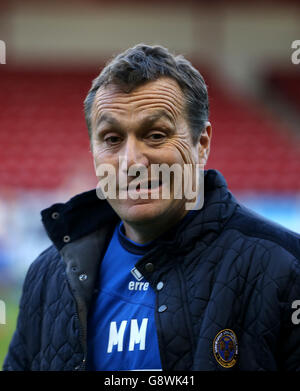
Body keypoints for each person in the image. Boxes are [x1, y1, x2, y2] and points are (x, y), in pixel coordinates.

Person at [3, 44, 300, 371]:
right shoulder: (49, 276)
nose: (131, 162)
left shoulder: (285, 267)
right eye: (112, 139)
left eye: (156, 135)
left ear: (201, 144)